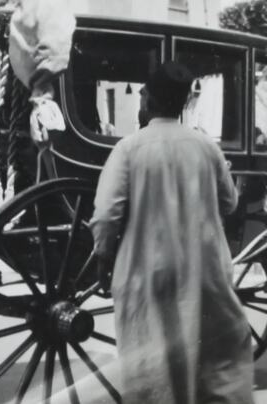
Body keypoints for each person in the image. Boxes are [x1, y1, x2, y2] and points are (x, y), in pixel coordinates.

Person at [90, 62, 253, 404]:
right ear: (182, 103)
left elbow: (106, 216)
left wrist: (103, 259)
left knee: (154, 368)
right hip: (204, 272)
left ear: (147, 99)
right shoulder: (206, 147)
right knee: (210, 363)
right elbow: (230, 203)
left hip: (148, 274)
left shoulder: (129, 148)